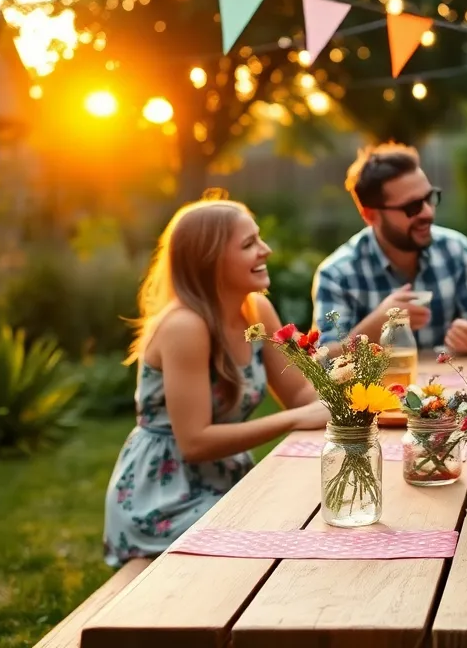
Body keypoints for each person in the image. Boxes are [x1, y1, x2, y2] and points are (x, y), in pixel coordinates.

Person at [104, 196, 329, 567]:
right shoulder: (185, 327)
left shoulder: (256, 309)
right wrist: (294, 420)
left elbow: (300, 393)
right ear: (210, 262)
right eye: (248, 245)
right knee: (289, 541)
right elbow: (194, 442)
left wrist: (351, 400)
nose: (266, 250)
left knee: (312, 516)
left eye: (259, 239)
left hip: (223, 477)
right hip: (165, 497)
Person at [312, 142, 467, 355]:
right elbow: (324, 360)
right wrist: (377, 325)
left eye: (429, 198)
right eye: (411, 207)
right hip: (377, 389)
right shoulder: (337, 273)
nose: (428, 213)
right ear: (370, 215)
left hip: (452, 385)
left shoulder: (454, 249)